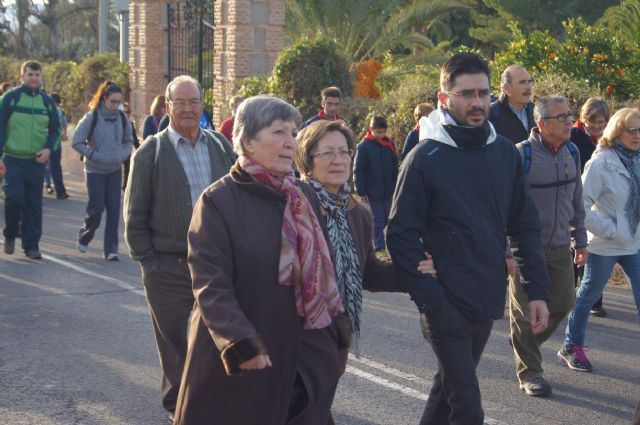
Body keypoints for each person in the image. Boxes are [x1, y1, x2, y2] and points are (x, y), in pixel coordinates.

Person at [386, 52, 550, 425]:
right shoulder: (423, 158)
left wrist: (537, 290)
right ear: (445, 99)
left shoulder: (505, 153)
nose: (477, 102)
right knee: (467, 406)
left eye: (483, 93)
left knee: (447, 391)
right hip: (444, 304)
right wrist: (431, 298)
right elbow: (399, 234)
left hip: (486, 297)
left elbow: (524, 226)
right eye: (466, 94)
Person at [174, 95, 345, 425]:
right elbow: (211, 283)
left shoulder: (302, 197)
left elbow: (335, 259)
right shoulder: (217, 201)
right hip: (241, 363)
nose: (290, 143)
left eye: (293, 133)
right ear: (248, 142)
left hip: (298, 360)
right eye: (279, 132)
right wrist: (240, 341)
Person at [124, 75, 236, 423]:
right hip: (168, 266)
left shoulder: (220, 145)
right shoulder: (151, 152)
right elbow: (135, 213)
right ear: (168, 106)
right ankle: (180, 407)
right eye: (180, 102)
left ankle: (205, 398)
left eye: (194, 101)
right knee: (175, 341)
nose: (188, 108)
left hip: (216, 262)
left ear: (203, 105)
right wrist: (150, 261)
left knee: (217, 334)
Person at [508, 95, 588, 397]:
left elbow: (576, 199)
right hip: (526, 251)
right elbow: (506, 206)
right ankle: (530, 372)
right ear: (542, 125)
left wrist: (581, 240)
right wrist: (506, 252)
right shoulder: (521, 155)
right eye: (561, 117)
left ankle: (523, 344)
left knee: (564, 303)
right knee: (524, 314)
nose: (569, 121)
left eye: (569, 115)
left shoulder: (573, 152)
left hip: (559, 247)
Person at [559, 107, 640, 372]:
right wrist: (613, 228)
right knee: (588, 295)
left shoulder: (638, 159)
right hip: (606, 242)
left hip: (634, 242)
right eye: (632, 130)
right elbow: (579, 205)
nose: (638, 135)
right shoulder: (601, 162)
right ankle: (571, 346)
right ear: (617, 131)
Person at [0, 61, 60, 259]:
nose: (33, 78)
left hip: (36, 162)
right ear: (22, 77)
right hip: (12, 159)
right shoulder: (10, 98)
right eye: (30, 74)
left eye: (37, 74)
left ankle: (31, 245)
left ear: (41, 78)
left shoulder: (47, 102)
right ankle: (10, 235)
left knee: (34, 204)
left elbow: (56, 131)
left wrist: (48, 149)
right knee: (14, 198)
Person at [72, 81, 133, 261]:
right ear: (104, 99)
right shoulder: (92, 117)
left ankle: (111, 249)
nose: (116, 106)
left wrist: (121, 154)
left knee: (114, 211)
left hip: (114, 170)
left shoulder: (122, 118)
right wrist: (93, 154)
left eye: (119, 102)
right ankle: (85, 235)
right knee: (96, 210)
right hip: (95, 171)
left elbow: (129, 140)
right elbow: (77, 141)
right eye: (113, 101)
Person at [571, 97, 611, 317]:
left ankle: (595, 299)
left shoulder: (609, 139)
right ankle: (568, 294)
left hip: (599, 200)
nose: (596, 126)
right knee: (574, 248)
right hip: (575, 197)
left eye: (601, 122)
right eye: (592, 122)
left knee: (593, 248)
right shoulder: (573, 137)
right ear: (583, 119)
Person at [353, 114, 398, 252]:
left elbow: (394, 166)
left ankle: (389, 242)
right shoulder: (364, 147)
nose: (382, 135)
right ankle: (379, 246)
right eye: (378, 132)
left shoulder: (389, 144)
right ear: (371, 129)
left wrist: (396, 184)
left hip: (388, 190)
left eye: (384, 132)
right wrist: (361, 190)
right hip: (373, 191)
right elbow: (358, 170)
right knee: (378, 219)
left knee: (388, 218)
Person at [489, 64, 536, 144]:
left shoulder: (536, 111)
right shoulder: (490, 114)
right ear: (506, 88)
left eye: (529, 81)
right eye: (522, 82)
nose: (528, 87)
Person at [43, 93, 69, 199]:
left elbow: (63, 124)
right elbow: (63, 124)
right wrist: (64, 133)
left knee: (47, 165)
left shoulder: (47, 108)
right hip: (52, 141)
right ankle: (59, 191)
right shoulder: (57, 110)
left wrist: (65, 133)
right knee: (54, 166)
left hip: (47, 141)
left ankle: (51, 186)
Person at [121, 101, 141, 192]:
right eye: (124, 112)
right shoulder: (113, 122)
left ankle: (125, 187)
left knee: (127, 168)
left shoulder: (129, 123)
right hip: (114, 150)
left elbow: (134, 139)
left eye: (127, 112)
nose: (126, 114)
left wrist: (140, 150)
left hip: (125, 150)